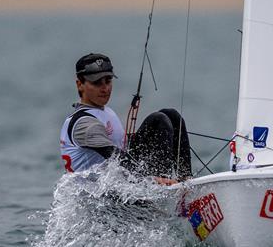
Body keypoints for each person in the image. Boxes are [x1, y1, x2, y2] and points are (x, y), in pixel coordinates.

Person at [59, 53, 192, 180]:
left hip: (121, 178)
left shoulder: (104, 111)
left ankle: (186, 181)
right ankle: (162, 187)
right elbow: (115, 157)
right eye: (97, 83)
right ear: (80, 84)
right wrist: (151, 179)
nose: (105, 88)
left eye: (108, 81)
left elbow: (122, 148)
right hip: (99, 197)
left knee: (170, 116)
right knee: (160, 119)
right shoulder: (84, 124)